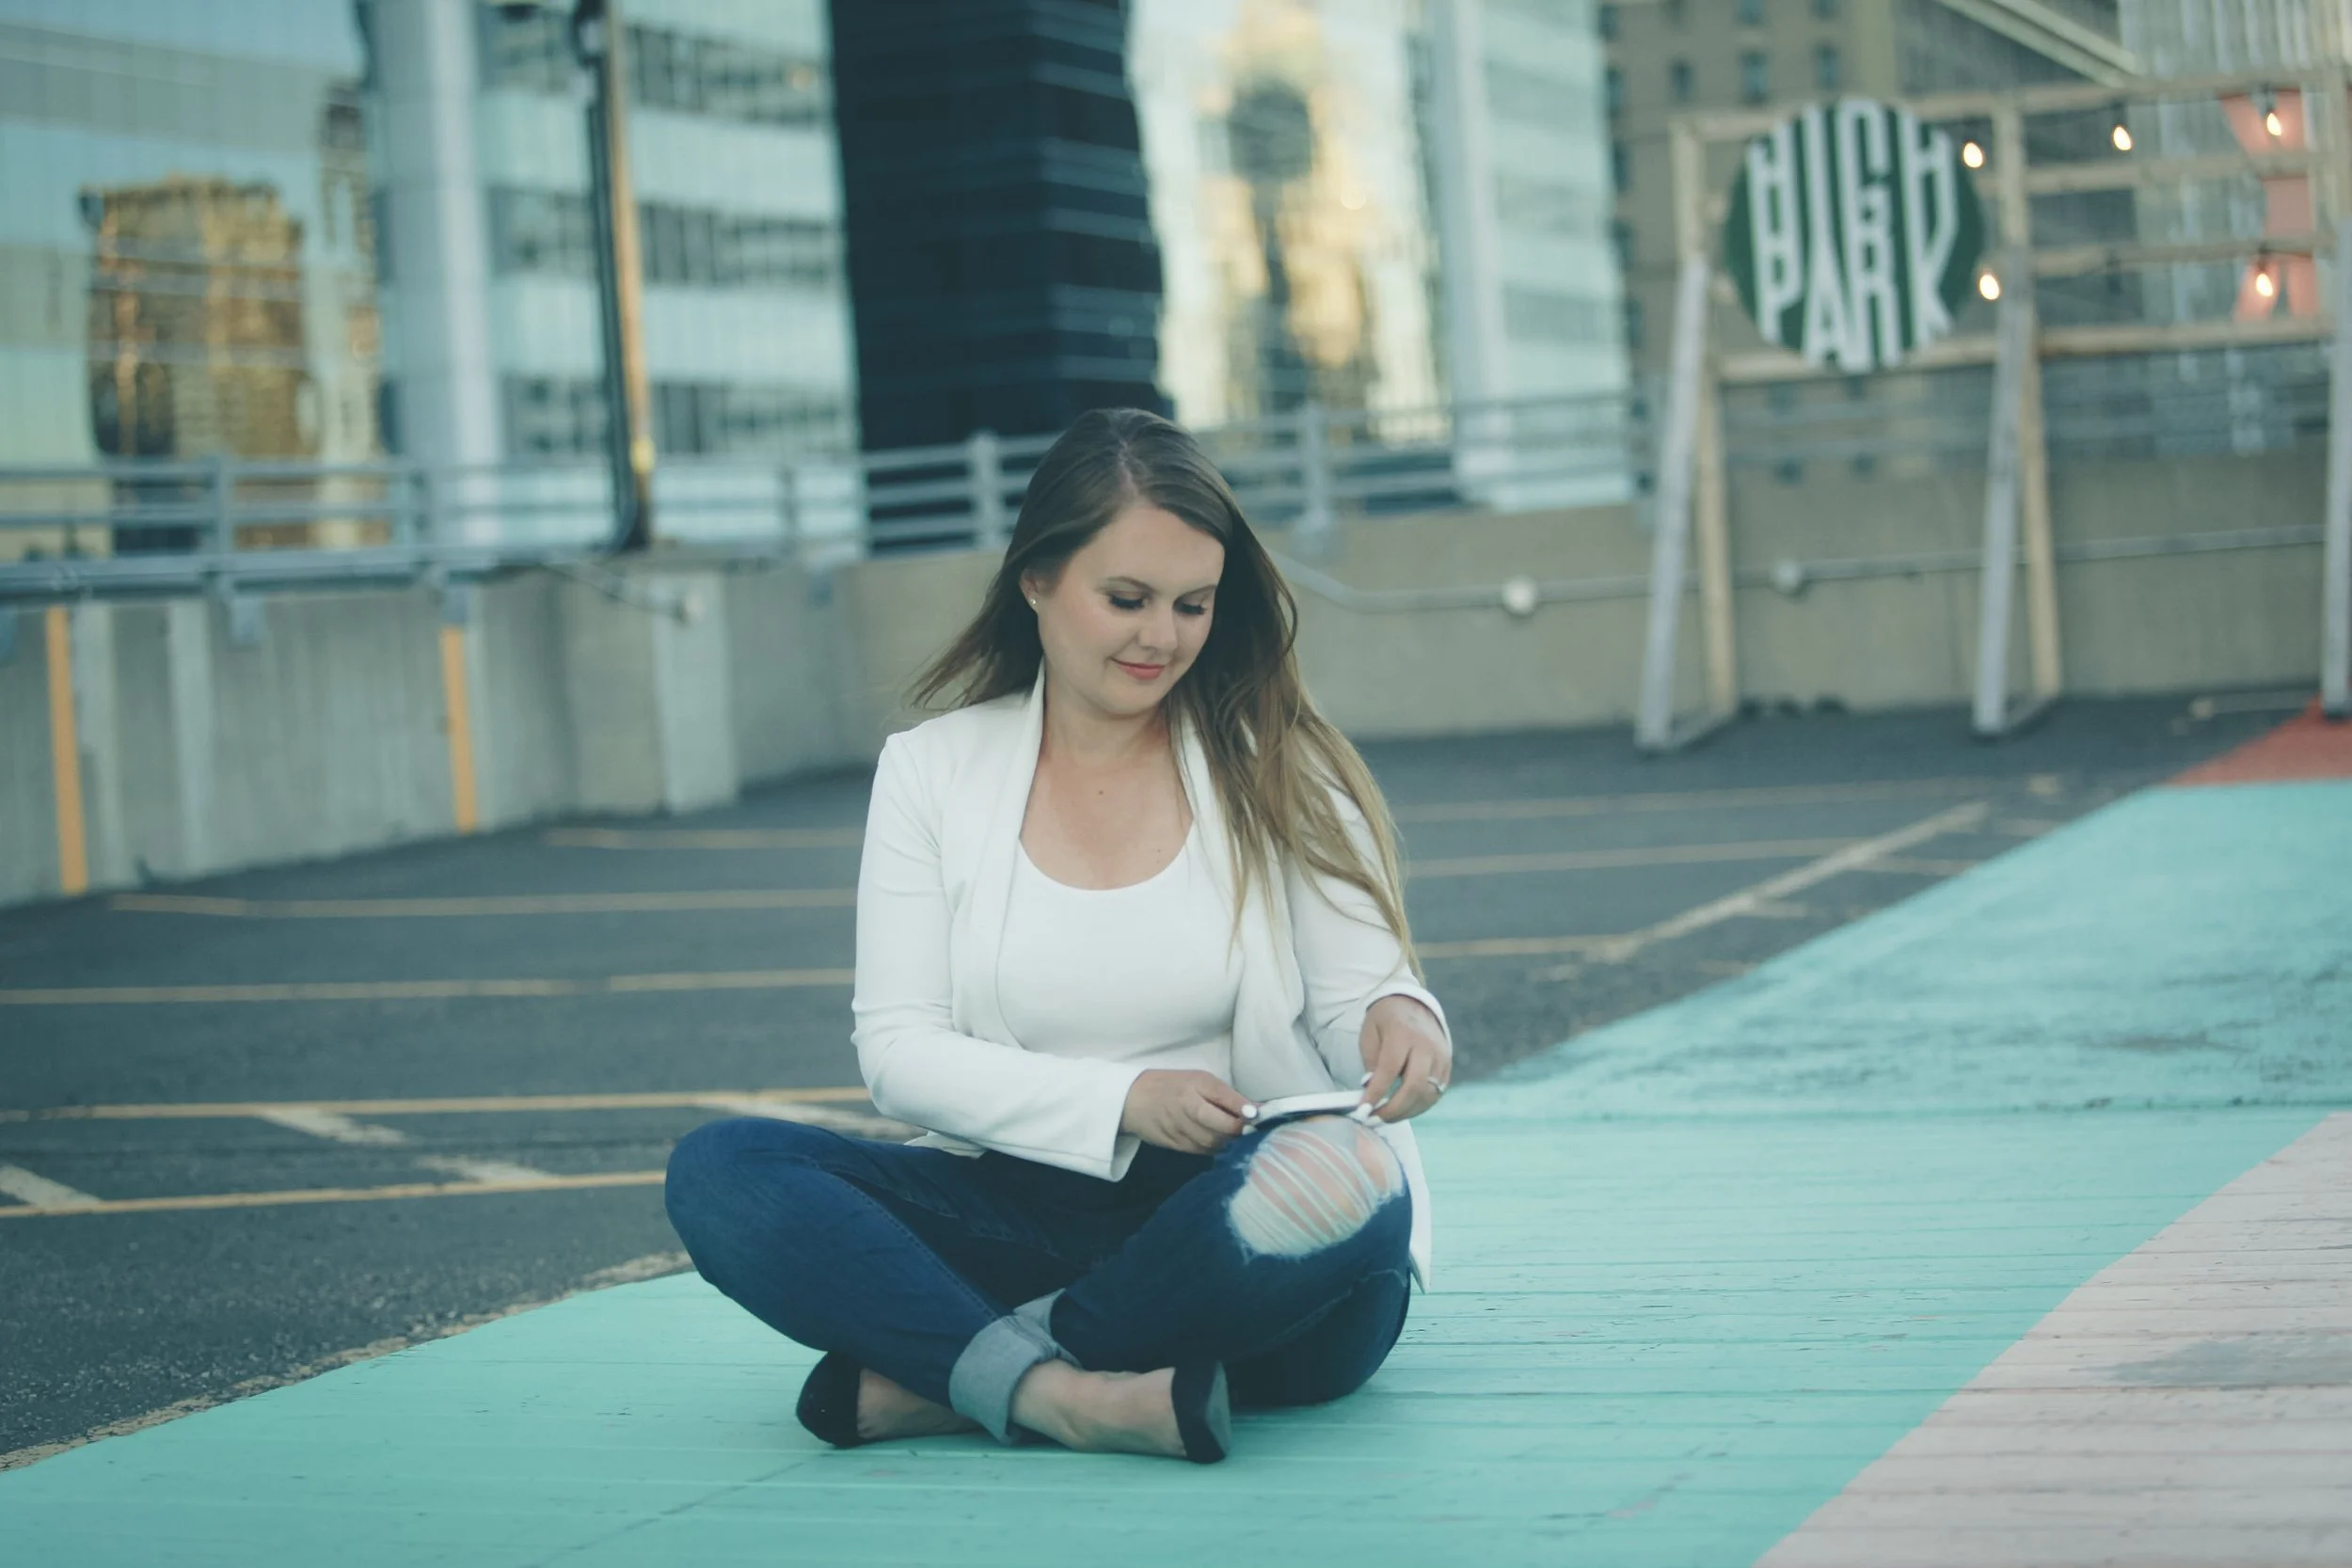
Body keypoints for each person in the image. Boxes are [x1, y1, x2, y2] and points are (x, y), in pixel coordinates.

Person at [663, 408, 1453, 1465]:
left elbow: (1362, 991)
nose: (1159, 637)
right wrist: (1125, 1099)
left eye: (1191, 605)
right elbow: (898, 1051)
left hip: (1240, 1207)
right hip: (1019, 1206)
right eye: (1124, 599)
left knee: (1351, 1178)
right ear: (1035, 577)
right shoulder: (931, 770)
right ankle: (1071, 1396)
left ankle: (973, 1374)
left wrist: (1400, 1015)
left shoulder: (1277, 761)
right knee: (725, 1166)